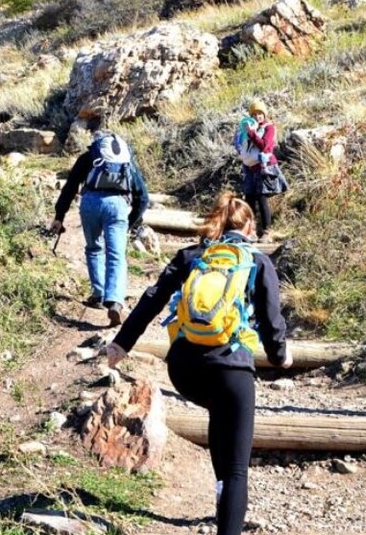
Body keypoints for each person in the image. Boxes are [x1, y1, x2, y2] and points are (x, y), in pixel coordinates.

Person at [103, 193, 290, 535]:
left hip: (185, 369)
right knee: (236, 468)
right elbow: (272, 320)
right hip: (230, 370)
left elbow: (152, 298)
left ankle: (222, 505)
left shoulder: (192, 256)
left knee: (220, 415)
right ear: (249, 227)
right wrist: (280, 356)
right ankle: (229, 516)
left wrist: (121, 343)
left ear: (213, 221)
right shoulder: (258, 262)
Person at [49, 119, 150, 326]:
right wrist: (132, 221)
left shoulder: (88, 157)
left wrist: (59, 216)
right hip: (118, 206)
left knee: (94, 248)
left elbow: (70, 188)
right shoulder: (126, 161)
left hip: (90, 203)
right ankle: (115, 301)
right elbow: (143, 196)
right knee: (116, 255)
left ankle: (98, 294)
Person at [238, 99, 277, 240]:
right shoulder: (248, 129)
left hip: (263, 167)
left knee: (261, 198)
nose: (258, 116)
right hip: (249, 167)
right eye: (254, 114)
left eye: (260, 113)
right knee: (249, 199)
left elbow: (265, 146)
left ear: (264, 114)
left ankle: (267, 231)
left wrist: (252, 133)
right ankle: (251, 231)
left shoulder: (269, 128)